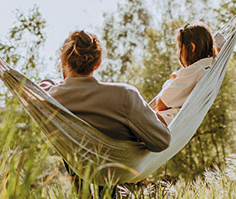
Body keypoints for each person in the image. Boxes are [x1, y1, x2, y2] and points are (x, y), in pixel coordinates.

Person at [41, 30, 170, 152]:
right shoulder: (125, 95)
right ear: (98, 63)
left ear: (63, 61)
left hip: (78, 167)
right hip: (121, 169)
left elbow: (42, 86)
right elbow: (162, 141)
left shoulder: (51, 96)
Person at [150, 21, 219, 125]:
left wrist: (172, 80)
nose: (179, 53)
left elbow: (160, 104)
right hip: (168, 124)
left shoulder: (194, 71)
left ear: (192, 47)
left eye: (180, 48)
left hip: (162, 123)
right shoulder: (209, 66)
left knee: (126, 94)